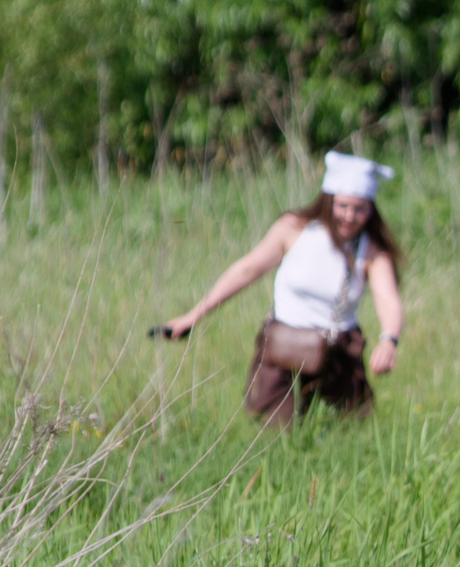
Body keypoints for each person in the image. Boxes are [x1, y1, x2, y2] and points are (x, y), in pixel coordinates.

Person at [162, 151, 406, 424]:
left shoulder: (371, 250)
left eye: (360, 209)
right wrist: (195, 314)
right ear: (328, 201)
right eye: (343, 206)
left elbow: (388, 301)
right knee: (274, 432)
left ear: (371, 210)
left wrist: (389, 340)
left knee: (351, 429)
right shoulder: (294, 229)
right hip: (282, 344)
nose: (350, 216)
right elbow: (247, 270)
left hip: (340, 350)